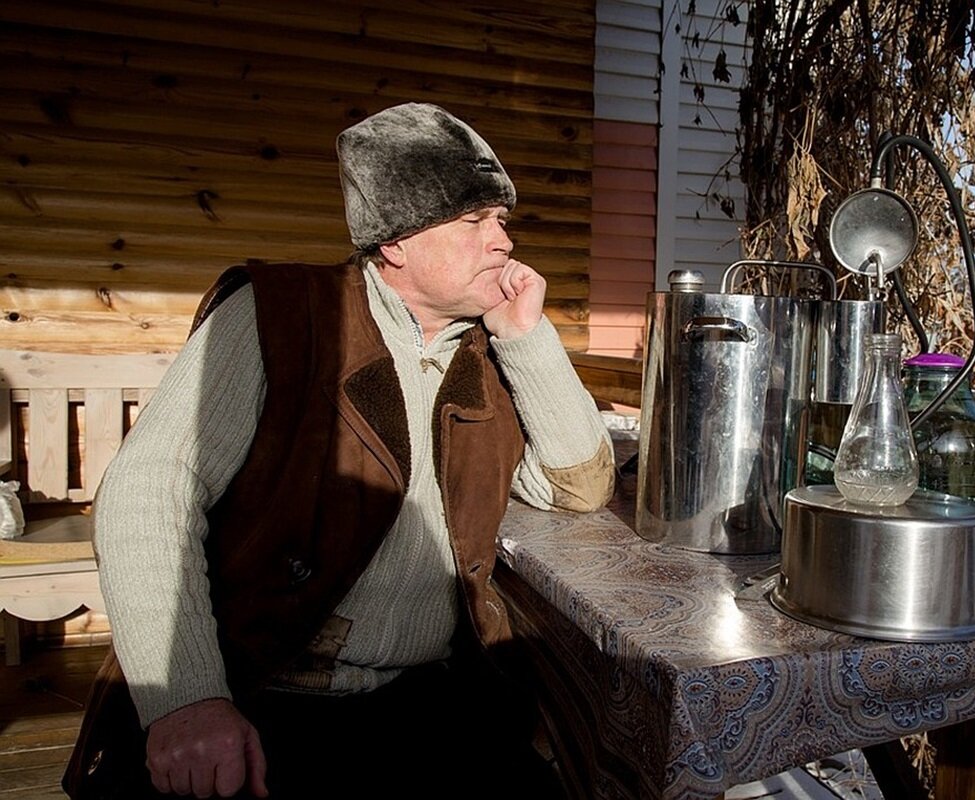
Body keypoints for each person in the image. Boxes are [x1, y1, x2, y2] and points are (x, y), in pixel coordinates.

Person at [63, 103, 615, 798]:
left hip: (428, 699)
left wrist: (525, 337)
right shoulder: (282, 316)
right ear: (395, 242)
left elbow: (578, 485)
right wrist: (187, 699)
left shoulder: (489, 355)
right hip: (266, 690)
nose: (502, 241)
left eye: (502, 221)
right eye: (474, 221)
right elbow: (148, 488)